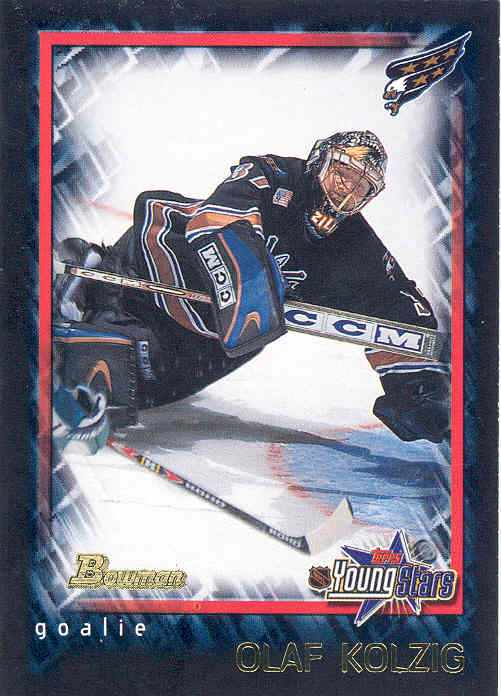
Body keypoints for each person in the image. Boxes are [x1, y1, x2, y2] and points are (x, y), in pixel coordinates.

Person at [56, 130, 449, 443]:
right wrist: (251, 276)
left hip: (211, 335)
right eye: (342, 174)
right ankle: (94, 286)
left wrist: (421, 388)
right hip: (160, 263)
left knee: (148, 392)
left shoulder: (355, 244)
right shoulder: (274, 175)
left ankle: (94, 344)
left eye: (361, 187)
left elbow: (398, 304)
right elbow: (219, 219)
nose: (346, 190)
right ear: (320, 161)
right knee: (113, 361)